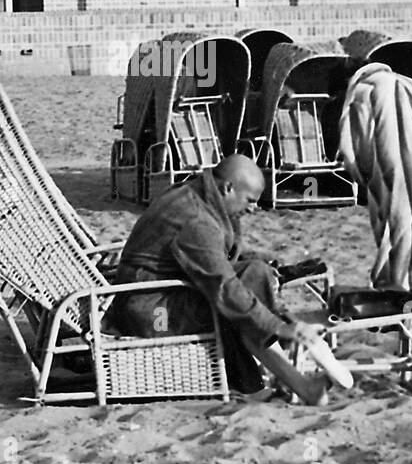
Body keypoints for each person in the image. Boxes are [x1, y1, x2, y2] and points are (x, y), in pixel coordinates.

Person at [108, 154, 319, 393]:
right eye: (250, 200)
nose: (254, 209)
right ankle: (257, 385)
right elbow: (223, 284)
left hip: (162, 293)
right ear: (228, 188)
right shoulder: (196, 219)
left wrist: (258, 264)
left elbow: (218, 258)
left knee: (255, 273)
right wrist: (276, 326)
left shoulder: (196, 194)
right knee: (232, 309)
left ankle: (283, 371)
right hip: (151, 313)